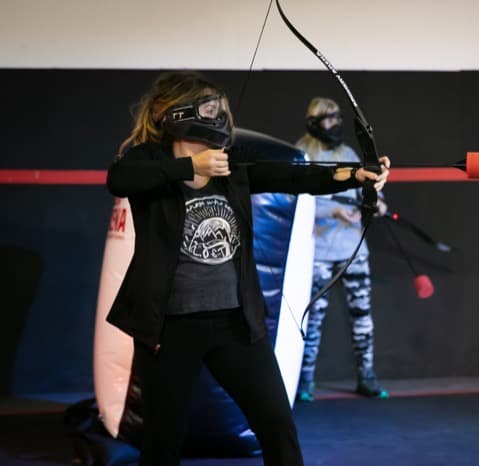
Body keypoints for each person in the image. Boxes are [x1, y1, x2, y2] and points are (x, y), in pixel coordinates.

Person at [105, 71, 390, 466]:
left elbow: (296, 177)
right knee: (162, 443)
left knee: (277, 426)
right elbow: (119, 179)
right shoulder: (147, 160)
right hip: (169, 328)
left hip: (234, 324)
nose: (218, 115)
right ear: (173, 112)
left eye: (218, 108)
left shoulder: (231, 163)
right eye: (208, 108)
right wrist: (190, 166)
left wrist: (356, 175)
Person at [295, 97, 390, 402]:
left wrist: (376, 204)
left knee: (362, 317)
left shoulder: (349, 153)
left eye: (337, 119)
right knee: (313, 319)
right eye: (327, 120)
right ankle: (304, 381)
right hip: (319, 253)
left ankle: (367, 377)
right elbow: (298, 199)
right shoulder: (301, 154)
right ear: (313, 122)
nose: (334, 125)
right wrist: (333, 211)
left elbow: (367, 191)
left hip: (353, 251)